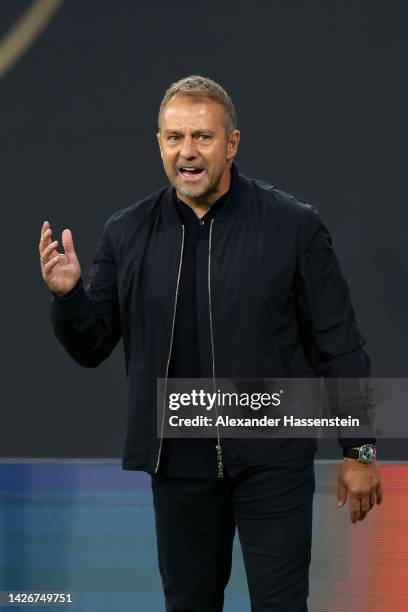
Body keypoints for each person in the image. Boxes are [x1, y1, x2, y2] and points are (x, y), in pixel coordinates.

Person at [39, 75, 383, 611]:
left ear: (232, 144)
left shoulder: (294, 227)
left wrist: (358, 449)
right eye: (174, 138)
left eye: (202, 137)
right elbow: (92, 344)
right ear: (159, 144)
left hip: (272, 458)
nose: (188, 152)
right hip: (178, 467)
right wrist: (68, 299)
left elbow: (338, 345)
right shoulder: (125, 233)